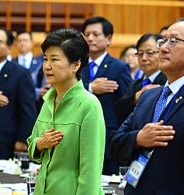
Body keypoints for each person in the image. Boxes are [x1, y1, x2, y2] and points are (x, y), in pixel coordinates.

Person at [109, 18, 184, 194]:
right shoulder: (149, 96)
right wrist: (138, 138)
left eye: (173, 41)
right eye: (163, 41)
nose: (164, 48)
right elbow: (116, 143)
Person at [27, 28, 105, 195]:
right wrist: (40, 144)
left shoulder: (89, 105)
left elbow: (90, 172)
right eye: (45, 59)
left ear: (76, 64)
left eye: (54, 60)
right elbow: (33, 148)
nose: (47, 66)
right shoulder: (48, 99)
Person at [81, 16, 132, 175]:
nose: (90, 38)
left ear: (108, 38)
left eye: (96, 34)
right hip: (79, 134)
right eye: (87, 34)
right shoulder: (76, 65)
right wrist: (90, 88)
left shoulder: (120, 67)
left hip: (107, 138)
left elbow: (125, 105)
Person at [0, 27, 36, 159]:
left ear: (10, 47)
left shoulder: (21, 74)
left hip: (6, 140)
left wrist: (23, 140)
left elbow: (27, 110)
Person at [115, 33, 167, 119]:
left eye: (150, 53)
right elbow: (119, 110)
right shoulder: (135, 84)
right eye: (140, 53)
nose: (144, 58)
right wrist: (136, 98)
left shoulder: (167, 81)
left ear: (162, 53)